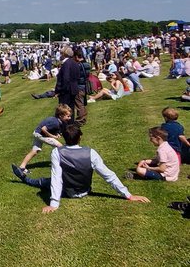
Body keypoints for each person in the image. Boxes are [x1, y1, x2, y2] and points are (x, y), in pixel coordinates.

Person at [11, 122, 150, 211]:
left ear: (64, 138)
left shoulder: (57, 152)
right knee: (47, 181)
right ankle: (25, 178)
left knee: (43, 182)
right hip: (85, 190)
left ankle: (24, 178)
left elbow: (56, 178)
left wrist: (54, 204)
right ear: (80, 137)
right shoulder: (91, 153)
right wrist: (128, 195)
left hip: (68, 191)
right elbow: (108, 175)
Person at [15, 104, 72, 174]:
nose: (70, 118)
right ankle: (62, 163)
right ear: (61, 116)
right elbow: (43, 129)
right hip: (40, 135)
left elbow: (51, 129)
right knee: (60, 146)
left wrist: (56, 134)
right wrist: (52, 136)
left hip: (37, 133)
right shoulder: (55, 122)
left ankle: (22, 167)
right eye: (68, 116)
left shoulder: (57, 121)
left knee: (35, 151)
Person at [55, 45, 81, 117]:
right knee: (70, 109)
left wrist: (60, 90)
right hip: (74, 88)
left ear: (64, 54)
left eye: (61, 53)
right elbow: (78, 76)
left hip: (66, 90)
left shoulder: (66, 64)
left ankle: (65, 126)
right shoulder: (74, 63)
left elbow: (65, 78)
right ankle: (71, 125)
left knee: (64, 111)